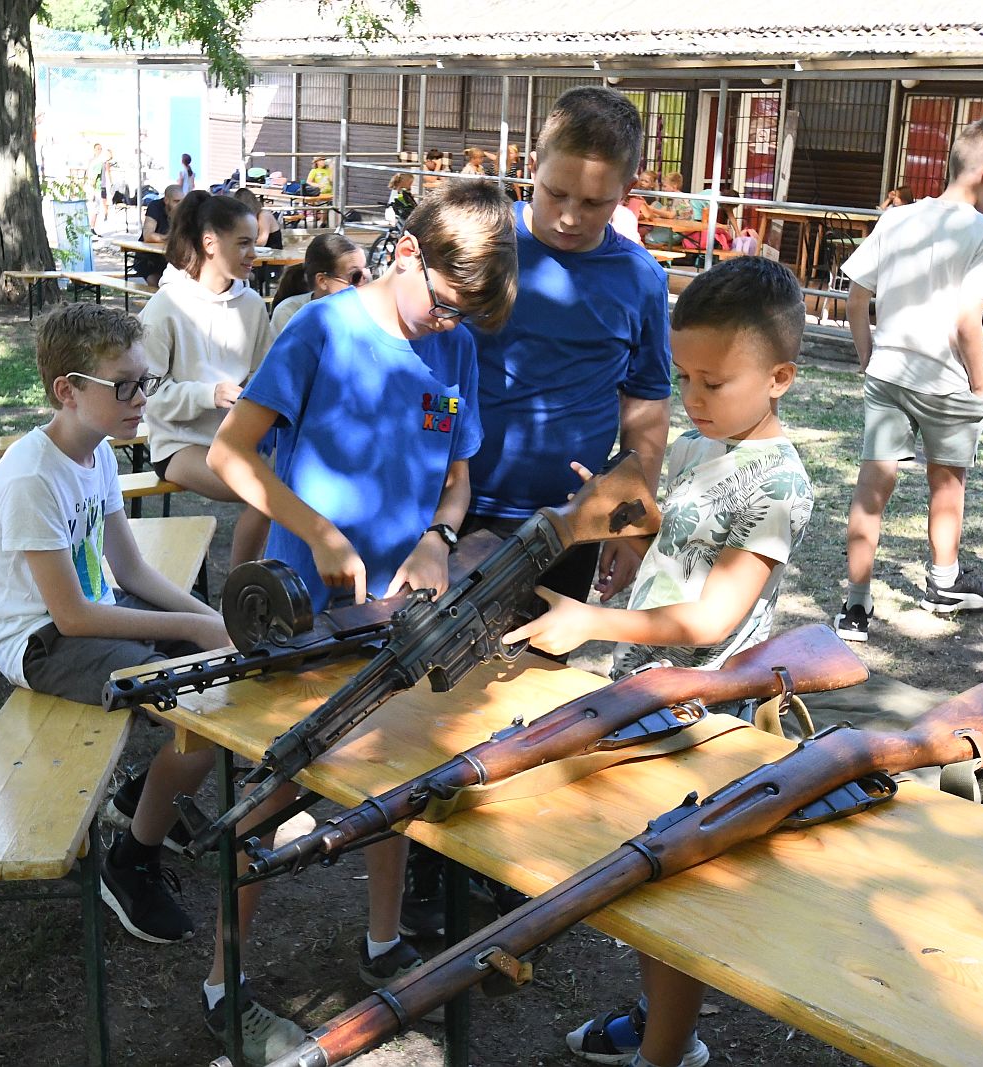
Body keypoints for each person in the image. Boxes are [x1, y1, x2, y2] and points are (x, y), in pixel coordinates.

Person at [201, 180, 518, 1065]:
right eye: (448, 306)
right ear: (409, 254)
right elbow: (231, 453)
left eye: (466, 318)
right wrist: (318, 530)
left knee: (396, 785)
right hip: (299, 620)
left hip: (397, 618)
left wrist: (438, 535)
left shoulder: (451, 345)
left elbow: (457, 472)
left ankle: (382, 941)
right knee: (264, 805)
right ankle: (224, 986)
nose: (451, 326)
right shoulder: (319, 331)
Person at [506, 255, 811, 1067]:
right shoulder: (697, 445)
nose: (694, 398)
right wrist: (627, 529)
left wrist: (591, 618)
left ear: (779, 376)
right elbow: (679, 545)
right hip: (649, 695)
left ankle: (665, 1051)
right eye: (683, 378)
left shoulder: (778, 482)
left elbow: (715, 613)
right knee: (646, 867)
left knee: (672, 885)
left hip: (709, 716)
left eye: (714, 381)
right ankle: (658, 1017)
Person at [402, 85, 672, 938]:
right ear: (531, 170)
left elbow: (646, 416)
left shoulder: (639, 281)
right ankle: (424, 865)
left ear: (628, 190)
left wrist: (630, 517)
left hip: (570, 528)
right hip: (463, 516)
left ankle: (509, 862)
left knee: (533, 701)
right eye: (556, 193)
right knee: (443, 688)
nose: (569, 215)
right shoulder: (486, 251)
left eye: (595, 202)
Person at [0, 302, 229, 947]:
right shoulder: (34, 475)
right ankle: (130, 860)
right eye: (125, 385)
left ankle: (147, 800)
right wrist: (197, 634)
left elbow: (133, 571)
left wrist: (214, 620)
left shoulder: (101, 453)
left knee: (229, 676)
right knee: (204, 699)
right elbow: (70, 614)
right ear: (68, 390)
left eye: (144, 381)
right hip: (40, 643)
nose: (141, 398)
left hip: (92, 620)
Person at [832, 117, 983, 643]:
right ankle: (943, 583)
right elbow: (968, 320)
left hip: (888, 371)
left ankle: (855, 607)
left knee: (872, 488)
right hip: (944, 380)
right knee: (948, 484)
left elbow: (856, 297)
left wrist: (870, 356)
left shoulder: (896, 218)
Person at [138, 190, 273, 570]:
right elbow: (146, 393)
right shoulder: (165, 306)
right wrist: (207, 394)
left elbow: (260, 373)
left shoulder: (251, 306)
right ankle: (241, 595)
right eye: (244, 243)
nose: (254, 254)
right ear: (210, 243)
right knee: (268, 495)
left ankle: (258, 588)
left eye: (255, 243)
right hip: (178, 445)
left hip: (237, 440)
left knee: (291, 485)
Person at [268, 232, 368, 333]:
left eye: (367, 273)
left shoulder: (369, 310)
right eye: (356, 276)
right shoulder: (289, 314)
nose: (363, 282)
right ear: (322, 281)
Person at [131, 183, 184, 287]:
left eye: (182, 202)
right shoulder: (155, 206)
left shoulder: (184, 210)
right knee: (157, 284)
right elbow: (148, 236)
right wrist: (170, 238)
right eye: (176, 201)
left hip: (169, 258)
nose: (180, 205)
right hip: (148, 258)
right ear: (166, 200)